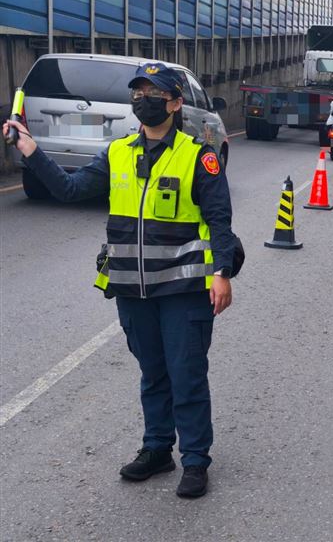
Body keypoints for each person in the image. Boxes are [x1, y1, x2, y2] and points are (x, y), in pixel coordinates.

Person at [2, 63, 236, 498]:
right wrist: (32, 151)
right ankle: (157, 449)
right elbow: (70, 190)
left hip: (185, 289)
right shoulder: (117, 152)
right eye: (138, 93)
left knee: (185, 374)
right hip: (132, 288)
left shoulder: (197, 155)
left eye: (153, 93)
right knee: (152, 373)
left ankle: (196, 460)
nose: (142, 100)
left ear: (175, 103)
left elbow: (220, 219)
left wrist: (222, 273)